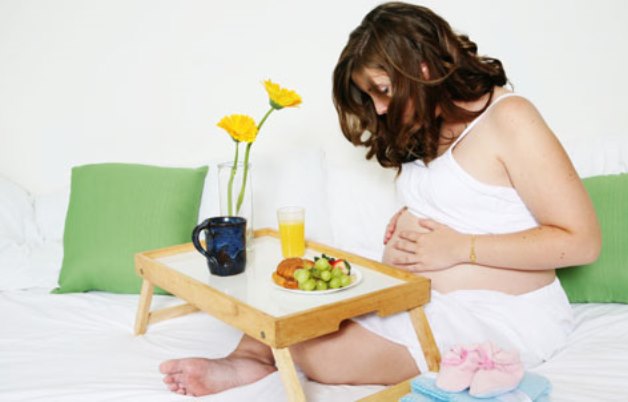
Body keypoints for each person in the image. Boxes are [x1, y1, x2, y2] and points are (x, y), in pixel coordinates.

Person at [159, 1, 601, 396]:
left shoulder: (511, 118)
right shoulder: (428, 120)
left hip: (499, 316)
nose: (381, 109)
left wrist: (459, 249)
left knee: (323, 351)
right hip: (415, 293)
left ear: (424, 66)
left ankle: (253, 363)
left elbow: (582, 241)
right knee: (285, 302)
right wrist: (410, 215)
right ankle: (246, 360)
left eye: (383, 90)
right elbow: (474, 198)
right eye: (371, 96)